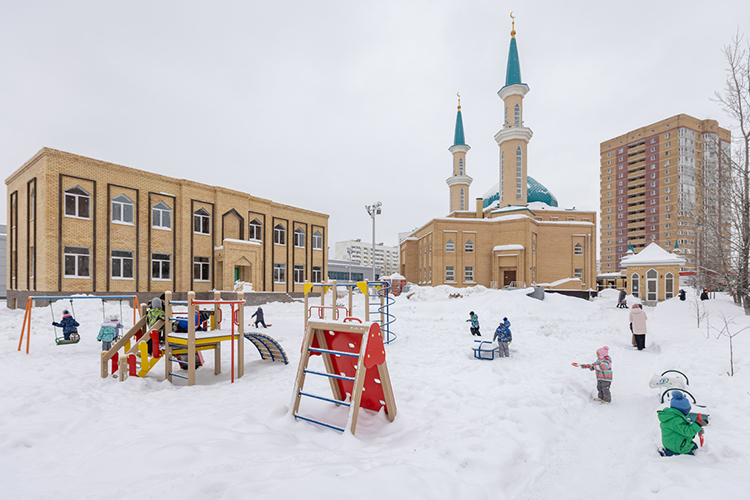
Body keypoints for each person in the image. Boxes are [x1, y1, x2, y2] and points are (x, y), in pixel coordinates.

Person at [658, 391, 705, 456]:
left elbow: (683, 427)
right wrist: (697, 425)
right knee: (691, 456)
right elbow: (687, 431)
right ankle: (669, 453)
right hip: (677, 447)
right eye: (687, 410)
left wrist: (697, 427)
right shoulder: (675, 421)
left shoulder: (673, 416)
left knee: (694, 446)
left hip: (673, 442)